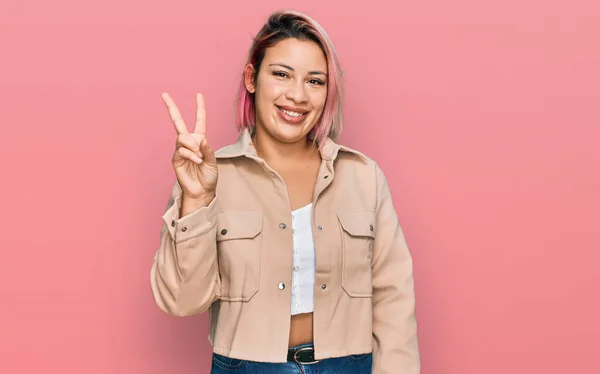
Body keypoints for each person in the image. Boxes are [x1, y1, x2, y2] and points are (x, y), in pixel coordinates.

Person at [150, 9, 420, 374]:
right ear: (252, 78)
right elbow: (182, 301)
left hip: (348, 365)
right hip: (245, 366)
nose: (297, 95)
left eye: (315, 81)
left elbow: (394, 300)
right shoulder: (210, 177)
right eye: (281, 74)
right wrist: (197, 200)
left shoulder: (363, 178)